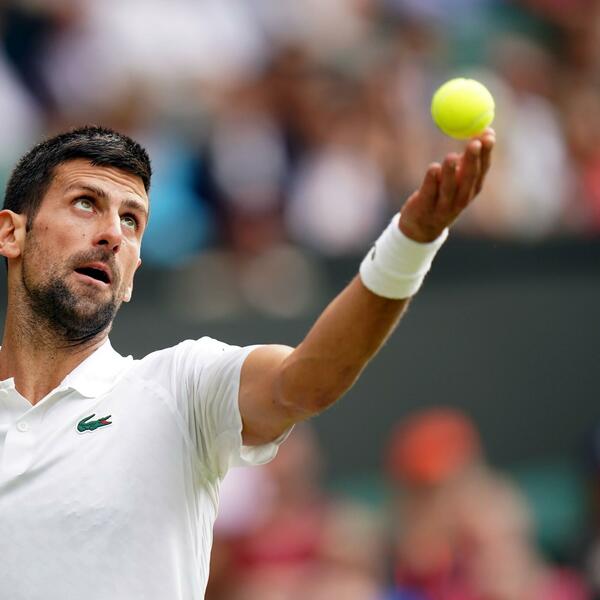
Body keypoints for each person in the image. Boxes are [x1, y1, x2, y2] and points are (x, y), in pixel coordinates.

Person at [0, 125, 494, 600]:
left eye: (131, 220)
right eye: (86, 203)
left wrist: (410, 244)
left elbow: (307, 382)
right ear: (11, 234)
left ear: (131, 277)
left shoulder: (179, 388)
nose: (113, 233)